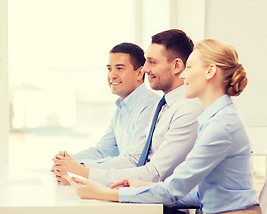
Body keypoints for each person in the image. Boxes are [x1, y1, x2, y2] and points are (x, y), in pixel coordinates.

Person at [66, 39, 261, 214]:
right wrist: (138, 187)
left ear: (210, 71)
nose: (183, 75)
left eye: (190, 67)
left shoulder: (221, 125)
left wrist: (103, 193)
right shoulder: (215, 118)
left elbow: (174, 190)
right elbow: (201, 193)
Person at [53, 29, 203, 186]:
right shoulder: (163, 107)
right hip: (147, 195)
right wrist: (70, 164)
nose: (144, 69)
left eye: (152, 62)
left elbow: (152, 172)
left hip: (163, 205)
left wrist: (83, 171)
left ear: (177, 66)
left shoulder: (186, 109)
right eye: (109, 68)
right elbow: (117, 153)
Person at [51, 42, 160, 182]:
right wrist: (67, 160)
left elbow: (135, 161)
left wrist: (80, 167)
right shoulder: (122, 107)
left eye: (120, 68)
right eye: (109, 69)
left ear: (139, 73)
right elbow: (103, 150)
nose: (112, 75)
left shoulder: (150, 105)